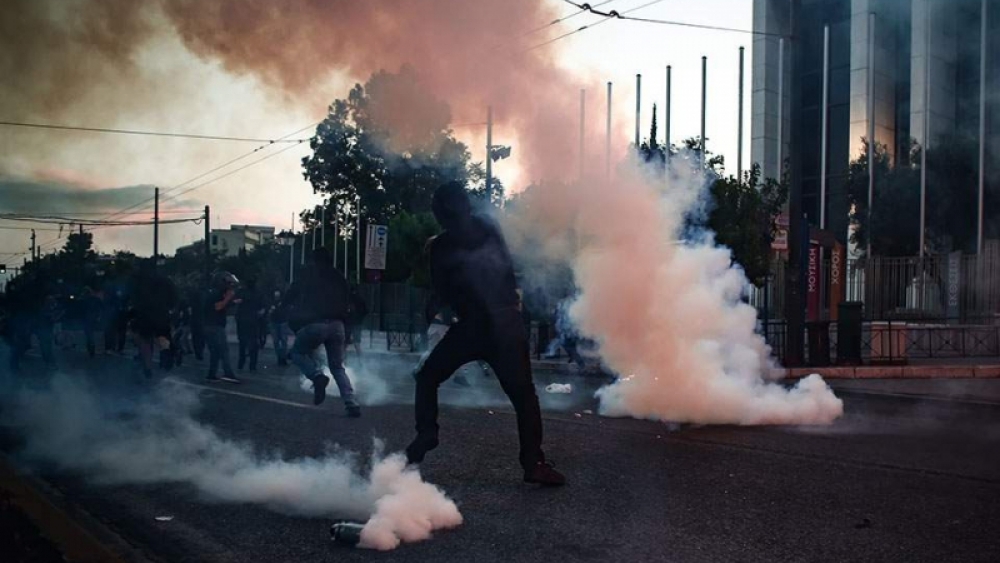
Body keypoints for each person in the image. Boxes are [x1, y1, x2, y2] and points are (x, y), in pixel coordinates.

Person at [405, 181, 564, 486]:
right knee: (523, 397)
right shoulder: (488, 227)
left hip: (472, 325)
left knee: (427, 377)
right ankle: (534, 463)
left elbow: (442, 292)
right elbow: (504, 265)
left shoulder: (439, 247)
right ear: (466, 206)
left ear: (439, 214)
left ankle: (427, 432)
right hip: (506, 324)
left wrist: (442, 307)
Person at [284, 248, 360, 417]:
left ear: (313, 259)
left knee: (296, 353)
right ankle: (351, 402)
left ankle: (317, 376)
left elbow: (291, 294)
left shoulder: (308, 275)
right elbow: (351, 301)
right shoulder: (340, 277)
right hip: (338, 325)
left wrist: (283, 309)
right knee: (337, 367)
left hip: (315, 324)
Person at [129, 261, 177, 378]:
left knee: (145, 341)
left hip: (144, 315)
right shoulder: (166, 281)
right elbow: (174, 299)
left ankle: (148, 368)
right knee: (163, 336)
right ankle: (165, 352)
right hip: (162, 314)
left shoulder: (138, 282)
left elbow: (132, 299)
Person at [204, 272, 240, 383]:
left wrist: (231, 302)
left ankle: (211, 374)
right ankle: (228, 373)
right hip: (215, 326)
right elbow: (218, 307)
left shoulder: (213, 292)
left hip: (210, 325)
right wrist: (228, 298)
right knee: (223, 350)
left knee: (215, 352)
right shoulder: (216, 293)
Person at [236, 278, 264, 372]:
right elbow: (263, 307)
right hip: (253, 320)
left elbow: (236, 302)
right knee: (253, 344)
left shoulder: (241, 292)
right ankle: (252, 366)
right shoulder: (258, 293)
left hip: (243, 320)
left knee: (242, 343)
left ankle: (241, 363)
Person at [268, 289, 289, 366]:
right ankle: (280, 357)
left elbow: (286, 310)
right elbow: (268, 312)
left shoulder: (283, 302)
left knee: (283, 341)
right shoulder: (271, 302)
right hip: (274, 322)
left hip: (282, 321)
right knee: (277, 341)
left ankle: (282, 358)